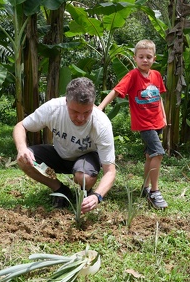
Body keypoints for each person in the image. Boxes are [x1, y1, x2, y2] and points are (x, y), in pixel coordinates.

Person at [13, 77, 116, 213]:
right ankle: (60, 189)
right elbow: (21, 126)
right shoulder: (53, 108)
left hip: (86, 158)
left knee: (83, 177)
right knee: (24, 161)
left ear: (93, 105)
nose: (81, 118)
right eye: (75, 112)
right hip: (59, 154)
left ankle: (86, 191)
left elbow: (110, 171)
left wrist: (97, 196)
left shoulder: (101, 123)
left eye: (86, 112)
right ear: (66, 102)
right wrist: (22, 148)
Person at [98, 39, 168, 209]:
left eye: (149, 57)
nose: (145, 60)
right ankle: (154, 192)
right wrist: (100, 107)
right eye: (141, 56)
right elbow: (116, 90)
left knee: (150, 155)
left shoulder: (156, 75)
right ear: (135, 58)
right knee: (158, 153)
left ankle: (144, 188)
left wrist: (164, 117)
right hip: (144, 123)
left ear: (154, 58)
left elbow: (159, 97)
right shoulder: (133, 75)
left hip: (157, 120)